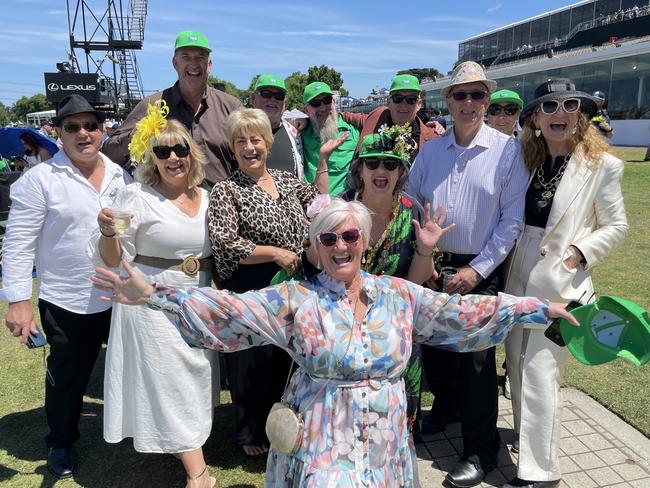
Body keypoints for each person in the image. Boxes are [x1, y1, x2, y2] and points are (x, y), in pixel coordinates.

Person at [91, 198, 578, 488]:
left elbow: (460, 313)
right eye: (328, 239)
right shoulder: (294, 299)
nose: (340, 246)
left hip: (387, 438)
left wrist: (536, 309)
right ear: (315, 246)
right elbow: (227, 311)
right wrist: (153, 293)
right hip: (322, 434)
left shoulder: (398, 294)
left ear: (364, 241)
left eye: (349, 236)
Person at [406, 61, 529, 488]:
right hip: (433, 262)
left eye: (478, 95)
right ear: (448, 101)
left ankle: (481, 449)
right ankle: (447, 410)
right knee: (436, 351)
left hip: (482, 265)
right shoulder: (431, 150)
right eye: (461, 95)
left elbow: (512, 220)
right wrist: (423, 245)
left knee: (477, 364)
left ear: (487, 100)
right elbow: (411, 197)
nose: (470, 103)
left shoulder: (507, 149)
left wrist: (477, 272)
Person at [502, 79, 628, 488]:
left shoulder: (603, 165)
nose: (559, 113)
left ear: (582, 115)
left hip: (562, 282)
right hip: (518, 273)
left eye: (569, 104)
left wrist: (581, 250)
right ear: (535, 118)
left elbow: (617, 225)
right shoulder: (526, 159)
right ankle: (528, 441)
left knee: (540, 373)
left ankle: (542, 470)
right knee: (516, 366)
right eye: (548, 106)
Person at [90, 105, 219, 488]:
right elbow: (113, 258)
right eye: (162, 152)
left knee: (194, 376)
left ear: (191, 153)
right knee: (170, 381)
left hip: (198, 298)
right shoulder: (137, 196)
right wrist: (109, 233)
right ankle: (199, 474)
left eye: (179, 149)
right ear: (152, 157)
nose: (173, 158)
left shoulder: (208, 197)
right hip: (150, 300)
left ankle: (192, 443)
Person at [2, 94, 131, 479]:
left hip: (118, 294)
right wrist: (18, 302)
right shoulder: (38, 180)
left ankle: (131, 429)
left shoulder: (117, 173)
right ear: (58, 132)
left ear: (103, 129)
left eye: (90, 125)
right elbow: (19, 243)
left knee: (129, 366)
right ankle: (61, 440)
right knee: (68, 377)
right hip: (67, 299)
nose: (83, 133)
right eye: (72, 127)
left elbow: (125, 229)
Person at [207, 108, 341, 456]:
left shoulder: (285, 181)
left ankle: (288, 423)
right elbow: (225, 241)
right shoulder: (226, 190)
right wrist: (274, 253)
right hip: (252, 284)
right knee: (253, 359)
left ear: (267, 142)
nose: (249, 147)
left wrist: (324, 163)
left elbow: (320, 205)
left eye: (255, 139)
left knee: (286, 357)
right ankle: (251, 432)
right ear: (233, 148)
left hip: (293, 284)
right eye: (241, 141)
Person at [342, 132, 454, 446]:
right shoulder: (343, 210)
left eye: (390, 164)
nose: (381, 170)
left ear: (401, 171)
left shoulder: (412, 211)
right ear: (360, 169)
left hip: (397, 326)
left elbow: (415, 281)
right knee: (352, 419)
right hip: (348, 324)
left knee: (398, 422)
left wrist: (425, 249)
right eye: (372, 163)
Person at [103, 30, 242, 186]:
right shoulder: (152, 105)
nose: (194, 64)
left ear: (209, 65)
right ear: (175, 63)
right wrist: (137, 137)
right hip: (166, 206)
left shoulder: (232, 107)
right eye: (186, 57)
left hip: (220, 206)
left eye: (200, 58)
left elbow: (248, 158)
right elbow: (108, 153)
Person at [340, 74, 441, 164]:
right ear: (389, 102)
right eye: (398, 98)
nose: (403, 104)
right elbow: (349, 116)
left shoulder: (433, 137)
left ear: (419, 104)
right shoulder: (376, 119)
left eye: (411, 100)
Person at [301, 81, 360, 195]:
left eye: (327, 100)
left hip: (345, 206)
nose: (323, 107)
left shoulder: (353, 132)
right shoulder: (300, 135)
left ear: (333, 102)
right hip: (312, 205)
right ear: (306, 111)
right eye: (316, 103)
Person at [249, 74, 304, 177]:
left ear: (285, 103)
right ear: (253, 98)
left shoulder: (296, 135)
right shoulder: (241, 134)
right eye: (266, 94)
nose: (273, 99)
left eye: (279, 96)